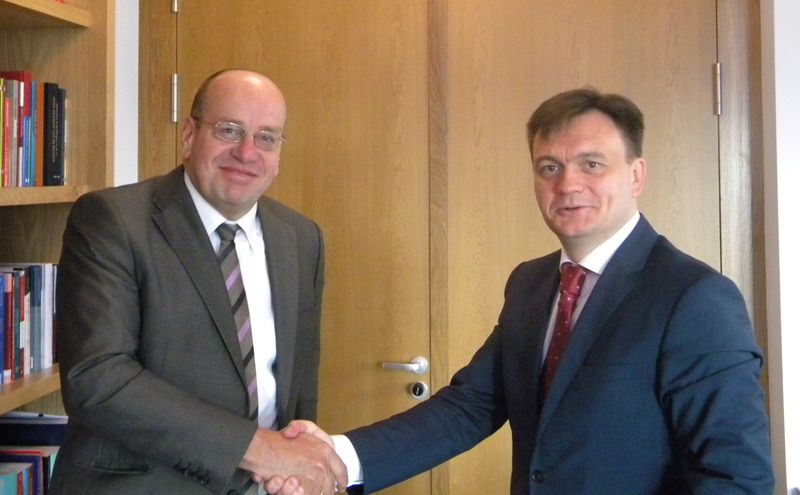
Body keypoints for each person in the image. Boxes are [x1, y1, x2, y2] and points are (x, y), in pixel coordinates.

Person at [274, 88, 774, 494]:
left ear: (636, 175)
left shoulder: (694, 298)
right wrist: (337, 457)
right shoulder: (531, 285)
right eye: (549, 167)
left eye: (592, 164)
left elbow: (735, 476)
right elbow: (471, 406)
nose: (568, 184)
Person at [50, 69, 346, 495]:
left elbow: (299, 384)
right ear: (189, 135)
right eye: (229, 130)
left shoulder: (301, 237)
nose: (247, 152)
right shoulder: (112, 220)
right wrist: (259, 450)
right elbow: (98, 379)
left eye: (266, 138)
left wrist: (295, 464)